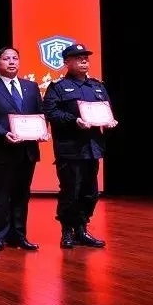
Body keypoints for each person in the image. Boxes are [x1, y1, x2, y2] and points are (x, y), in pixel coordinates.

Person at [42, 43, 117, 249]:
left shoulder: (97, 86)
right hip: (70, 148)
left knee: (90, 192)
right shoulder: (58, 87)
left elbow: (106, 110)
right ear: (66, 62)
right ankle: (67, 231)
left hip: (92, 147)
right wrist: (74, 120)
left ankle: (82, 229)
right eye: (78, 57)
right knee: (70, 191)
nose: (84, 60)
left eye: (85, 57)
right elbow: (51, 112)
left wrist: (109, 121)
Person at [0, 47, 42, 251]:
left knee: (22, 195)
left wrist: (41, 131)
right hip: (2, 149)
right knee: (0, 194)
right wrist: (3, 133)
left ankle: (19, 235)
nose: (11, 62)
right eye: (6, 59)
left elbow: (40, 114)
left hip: (27, 150)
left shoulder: (31, 86)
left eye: (15, 58)